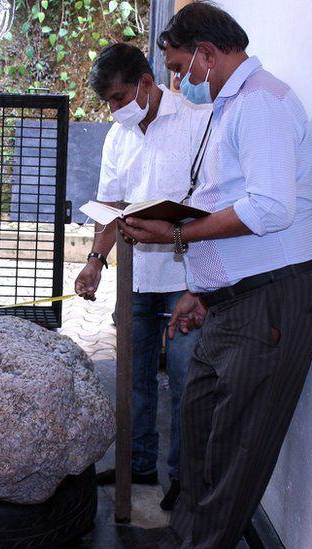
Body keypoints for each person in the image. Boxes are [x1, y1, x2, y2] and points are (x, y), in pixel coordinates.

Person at [120, 3, 312, 547]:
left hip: (271, 302)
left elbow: (269, 208)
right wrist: (200, 289)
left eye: (183, 68)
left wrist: (179, 237)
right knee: (201, 434)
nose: (181, 81)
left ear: (208, 55)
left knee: (235, 451)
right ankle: (189, 537)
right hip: (232, 301)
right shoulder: (229, 105)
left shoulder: (260, 103)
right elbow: (223, 197)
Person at [75, 43, 212, 511]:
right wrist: (96, 260)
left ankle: (182, 479)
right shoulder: (119, 135)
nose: (115, 109)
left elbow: (212, 204)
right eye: (108, 102)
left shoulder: (197, 123)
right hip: (135, 276)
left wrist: (199, 281)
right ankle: (138, 464)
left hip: (184, 276)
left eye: (120, 97)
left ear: (147, 83)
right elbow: (110, 206)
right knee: (132, 378)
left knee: (184, 376)